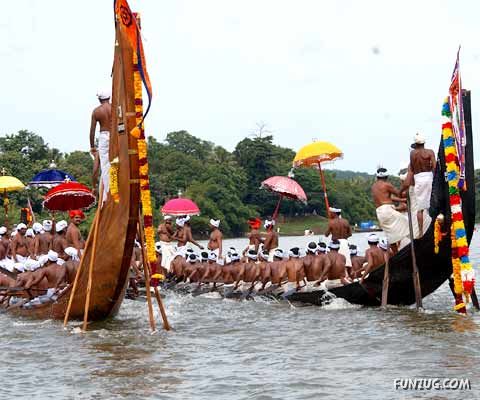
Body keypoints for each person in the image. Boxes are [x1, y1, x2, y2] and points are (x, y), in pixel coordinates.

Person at [403, 133, 436, 238]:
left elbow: (412, 168)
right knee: (433, 202)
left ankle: (421, 232)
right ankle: (435, 225)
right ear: (424, 143)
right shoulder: (430, 152)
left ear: (416, 144)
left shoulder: (412, 154)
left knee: (420, 209)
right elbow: (435, 167)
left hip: (419, 179)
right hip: (429, 177)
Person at [372, 167, 408, 253]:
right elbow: (400, 194)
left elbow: (389, 197)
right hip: (387, 210)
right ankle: (416, 244)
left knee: (390, 235)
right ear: (386, 177)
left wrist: (402, 200)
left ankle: (396, 254)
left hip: (380, 213)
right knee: (408, 224)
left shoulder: (374, 186)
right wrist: (408, 189)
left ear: (377, 177)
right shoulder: (387, 185)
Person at [90, 90, 112, 199]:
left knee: (105, 165)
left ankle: (107, 193)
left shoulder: (97, 111)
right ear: (109, 97)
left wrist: (92, 147)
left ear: (99, 99)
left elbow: (92, 131)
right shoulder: (115, 108)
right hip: (116, 135)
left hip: (103, 135)